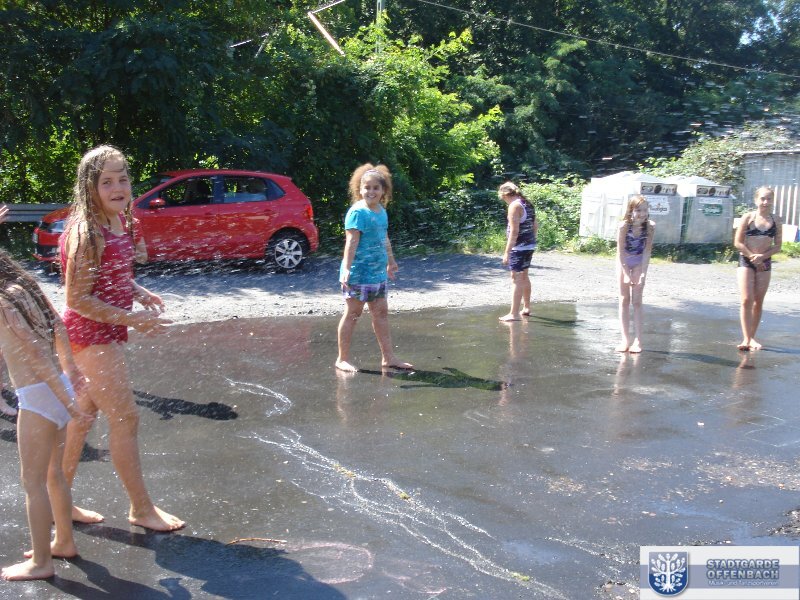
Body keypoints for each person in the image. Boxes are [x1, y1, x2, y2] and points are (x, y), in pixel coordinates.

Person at [59, 145, 184, 531]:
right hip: (88, 335)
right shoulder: (86, 233)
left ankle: (58, 500)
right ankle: (141, 509)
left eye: (123, 179)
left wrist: (138, 292)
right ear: (89, 188)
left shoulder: (118, 221)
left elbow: (111, 273)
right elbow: (76, 298)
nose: (117, 188)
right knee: (125, 417)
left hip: (101, 331)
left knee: (82, 419)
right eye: (107, 182)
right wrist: (133, 319)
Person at [0, 250, 92, 581]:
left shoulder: (2, 301)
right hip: (57, 386)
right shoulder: (23, 288)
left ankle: (41, 562)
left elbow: (36, 354)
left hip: (39, 395)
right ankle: (64, 542)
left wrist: (72, 406)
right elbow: (57, 324)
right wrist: (70, 370)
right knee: (55, 475)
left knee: (33, 482)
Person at [335, 163, 412, 373]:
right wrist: (346, 269)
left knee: (381, 313)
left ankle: (389, 358)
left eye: (375, 188)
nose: (371, 191)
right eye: (366, 187)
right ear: (359, 189)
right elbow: (351, 242)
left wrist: (391, 261)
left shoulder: (381, 211)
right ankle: (342, 359)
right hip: (358, 272)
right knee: (353, 313)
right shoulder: (357, 212)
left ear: (383, 190)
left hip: (377, 272)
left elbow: (383, 237)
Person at [733, 186, 783, 351]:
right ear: (756, 200)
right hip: (746, 260)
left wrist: (763, 257)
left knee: (758, 300)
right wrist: (752, 256)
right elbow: (738, 242)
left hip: (765, 262)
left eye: (769, 199)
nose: (765, 202)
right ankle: (745, 338)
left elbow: (778, 246)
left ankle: (752, 338)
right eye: (762, 198)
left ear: (773, 201)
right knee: (746, 299)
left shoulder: (776, 220)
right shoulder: (748, 217)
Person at [615, 195, 655, 353]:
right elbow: (620, 252)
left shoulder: (650, 226)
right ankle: (625, 340)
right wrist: (626, 273)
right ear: (631, 210)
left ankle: (638, 341)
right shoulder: (624, 226)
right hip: (624, 261)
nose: (642, 214)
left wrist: (643, 273)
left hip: (639, 261)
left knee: (637, 300)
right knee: (624, 299)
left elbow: (647, 251)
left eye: (645, 210)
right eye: (638, 210)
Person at [498, 182, 538, 322]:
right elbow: (535, 225)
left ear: (504, 195)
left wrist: (507, 252)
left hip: (518, 248)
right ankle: (526, 308)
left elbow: (514, 232)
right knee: (524, 276)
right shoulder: (527, 203)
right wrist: (530, 241)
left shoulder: (514, 206)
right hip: (529, 246)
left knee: (516, 279)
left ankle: (513, 314)